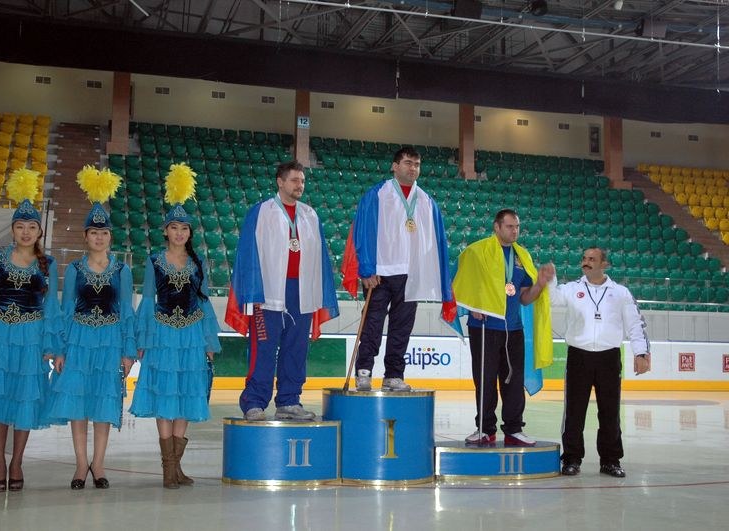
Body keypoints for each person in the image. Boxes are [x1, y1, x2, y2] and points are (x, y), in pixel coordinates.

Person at [0, 168, 63, 491]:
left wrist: (52, 344)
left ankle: (17, 461)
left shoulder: (49, 265)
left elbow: (51, 308)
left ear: (39, 231)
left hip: (32, 338)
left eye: (32, 226)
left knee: (25, 401)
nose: (26, 231)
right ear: (12, 229)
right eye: (20, 226)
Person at [129, 163, 221, 489]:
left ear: (190, 233)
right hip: (163, 334)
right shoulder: (154, 261)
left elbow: (205, 302)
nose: (180, 232)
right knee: (166, 394)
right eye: (174, 227)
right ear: (165, 231)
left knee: (184, 395)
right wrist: (142, 339)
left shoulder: (198, 263)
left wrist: (210, 342)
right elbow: (147, 301)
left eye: (185, 228)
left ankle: (176, 467)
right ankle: (169, 469)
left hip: (193, 335)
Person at [226, 160, 338, 421]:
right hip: (268, 292)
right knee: (264, 348)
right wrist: (252, 291)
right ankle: (254, 401)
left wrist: (319, 293)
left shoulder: (310, 215)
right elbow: (248, 253)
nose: (300, 185)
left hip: (302, 293)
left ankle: (289, 400)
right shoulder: (261, 212)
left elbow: (321, 258)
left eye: (302, 181)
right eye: (294, 180)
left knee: (296, 348)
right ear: (280, 182)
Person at [45, 165, 135, 489]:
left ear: (110, 237)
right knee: (78, 404)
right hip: (78, 341)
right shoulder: (73, 270)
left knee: (103, 402)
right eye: (93, 232)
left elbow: (127, 311)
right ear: (85, 236)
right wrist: (59, 349)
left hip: (111, 341)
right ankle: (80, 464)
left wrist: (128, 352)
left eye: (104, 232)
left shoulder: (122, 270)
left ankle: (99, 464)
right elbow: (65, 310)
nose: (99, 237)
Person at [346, 146, 456, 391]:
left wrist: (436, 275)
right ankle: (364, 371)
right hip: (381, 273)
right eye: (407, 163)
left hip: (412, 274)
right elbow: (362, 231)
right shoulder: (377, 194)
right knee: (373, 323)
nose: (412, 168)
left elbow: (437, 242)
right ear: (394, 166)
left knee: (402, 327)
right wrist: (366, 268)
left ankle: (393, 375)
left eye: (416, 164)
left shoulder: (427, 201)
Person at [452, 208, 554, 447]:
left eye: (517, 226)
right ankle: (484, 429)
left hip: (513, 329)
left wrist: (539, 284)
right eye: (509, 226)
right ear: (496, 227)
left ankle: (514, 429)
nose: (514, 231)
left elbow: (525, 298)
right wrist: (471, 306)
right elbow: (459, 283)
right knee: (485, 380)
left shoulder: (522, 257)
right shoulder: (476, 252)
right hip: (485, 327)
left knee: (513, 382)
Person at [547, 247, 651, 477]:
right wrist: (549, 280)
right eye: (584, 258)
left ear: (604, 264)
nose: (586, 262)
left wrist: (641, 352)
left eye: (592, 259)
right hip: (579, 356)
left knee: (610, 412)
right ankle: (572, 459)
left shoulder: (621, 292)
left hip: (608, 357)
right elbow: (552, 299)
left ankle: (610, 460)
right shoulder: (572, 288)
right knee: (574, 411)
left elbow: (635, 323)